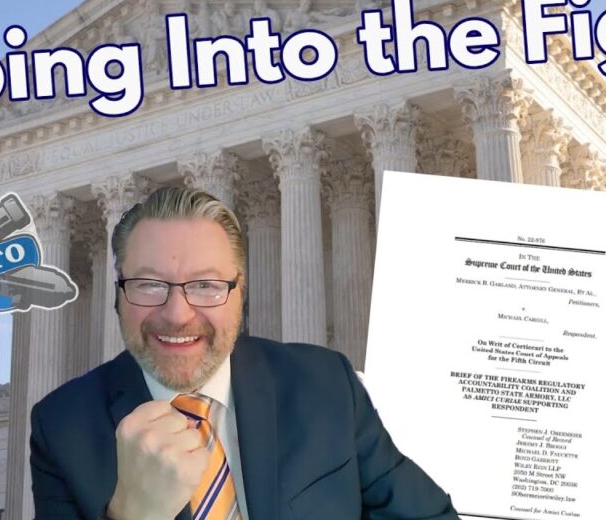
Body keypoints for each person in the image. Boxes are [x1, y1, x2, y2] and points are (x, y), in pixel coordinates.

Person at [29, 186, 459, 519]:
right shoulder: (63, 427)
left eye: (206, 285)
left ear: (240, 293)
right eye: (148, 284)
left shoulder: (325, 385)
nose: (178, 314)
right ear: (118, 293)